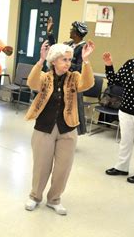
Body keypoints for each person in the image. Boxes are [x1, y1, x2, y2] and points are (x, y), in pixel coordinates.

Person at [24, 40, 95, 215]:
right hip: (44, 128)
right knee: (41, 166)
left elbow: (87, 84)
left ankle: (54, 199)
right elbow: (32, 83)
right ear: (54, 60)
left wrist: (86, 61)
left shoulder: (74, 77)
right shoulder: (45, 77)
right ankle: (35, 196)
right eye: (64, 59)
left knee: (63, 167)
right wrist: (40, 61)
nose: (67, 63)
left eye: (69, 60)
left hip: (68, 128)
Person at [104, 36, 134, 184]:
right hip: (126, 111)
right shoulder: (130, 64)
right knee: (125, 141)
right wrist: (109, 65)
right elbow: (114, 81)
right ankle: (121, 167)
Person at [47, 18, 89, 135]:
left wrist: (66, 63)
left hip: (73, 83)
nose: (70, 31)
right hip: (62, 81)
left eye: (72, 30)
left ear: (76, 33)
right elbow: (56, 49)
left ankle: (72, 133)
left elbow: (80, 67)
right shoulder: (69, 44)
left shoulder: (83, 47)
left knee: (72, 108)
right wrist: (50, 33)